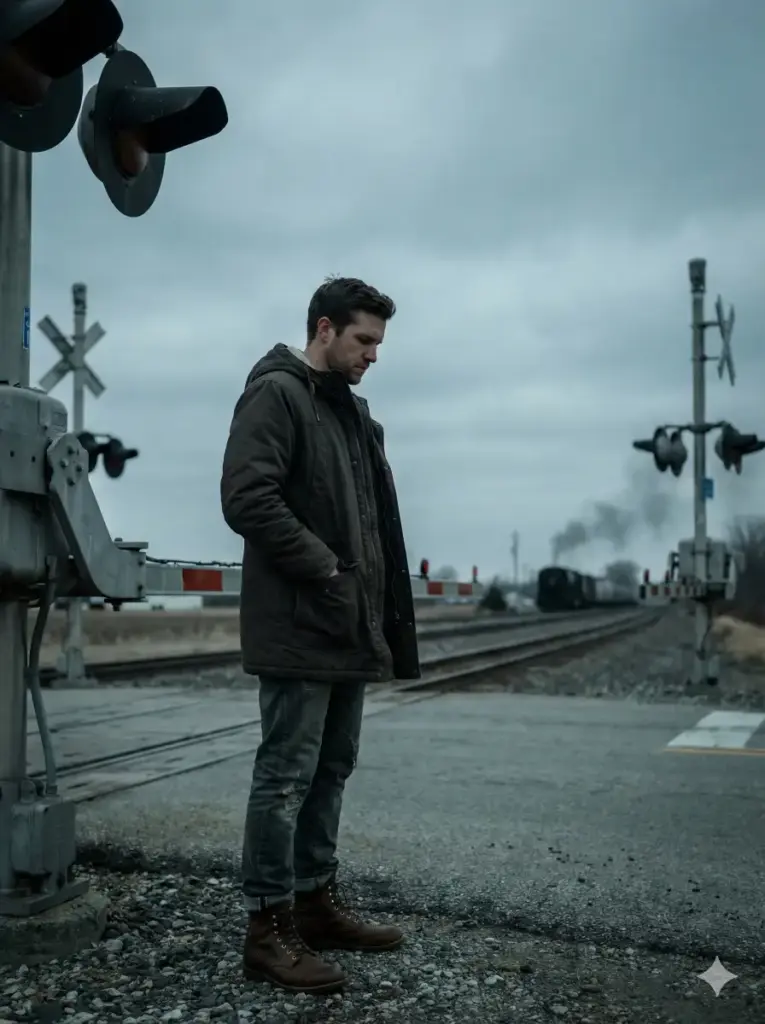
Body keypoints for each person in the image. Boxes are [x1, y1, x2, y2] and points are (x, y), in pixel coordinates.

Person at [220, 276, 421, 994]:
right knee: (283, 778)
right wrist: (326, 571)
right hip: (303, 623)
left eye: (378, 343)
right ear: (325, 329)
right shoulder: (277, 394)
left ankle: (313, 900)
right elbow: (247, 496)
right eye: (363, 340)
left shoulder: (353, 416)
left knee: (332, 768)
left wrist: (362, 597)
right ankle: (266, 929)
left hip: (346, 626)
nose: (373, 355)